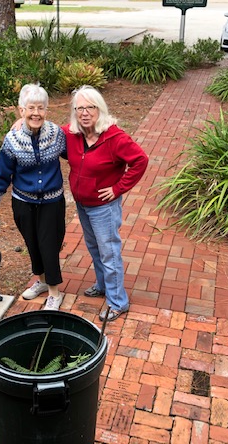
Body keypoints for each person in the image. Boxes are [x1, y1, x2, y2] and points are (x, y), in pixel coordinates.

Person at [64, 85, 149, 321]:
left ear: (99, 109)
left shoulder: (115, 138)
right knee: (94, 248)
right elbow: (47, 130)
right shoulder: (72, 134)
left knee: (109, 253)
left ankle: (118, 302)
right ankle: (102, 285)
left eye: (89, 107)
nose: (84, 113)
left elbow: (141, 160)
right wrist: (21, 122)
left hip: (103, 207)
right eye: (79, 108)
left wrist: (118, 188)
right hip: (83, 204)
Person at [0, 84, 67, 311]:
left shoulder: (57, 134)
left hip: (52, 202)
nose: (36, 113)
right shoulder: (12, 140)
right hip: (23, 202)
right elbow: (2, 175)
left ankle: (54, 293)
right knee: (32, 243)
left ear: (47, 110)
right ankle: (41, 281)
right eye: (31, 108)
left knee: (49, 245)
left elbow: (77, 153)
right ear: (21, 110)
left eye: (41, 108)